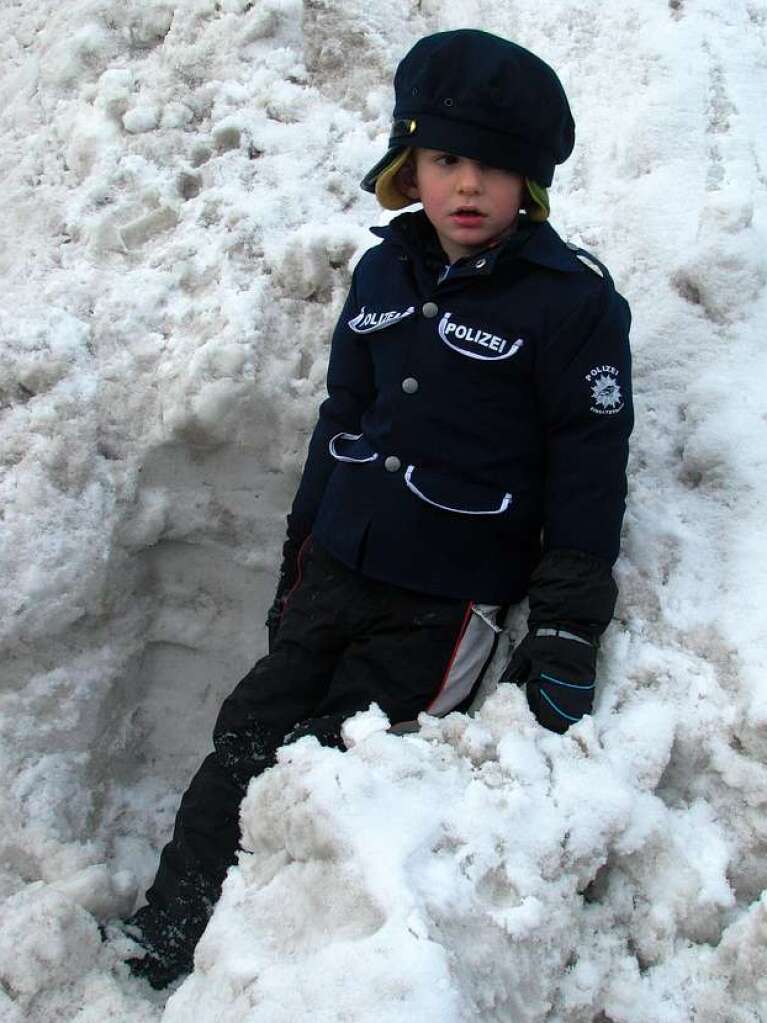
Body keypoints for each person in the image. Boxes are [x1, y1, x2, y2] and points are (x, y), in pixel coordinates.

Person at [121, 29, 633, 989]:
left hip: (444, 606)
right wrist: (298, 554)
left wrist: (565, 630)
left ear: (530, 181)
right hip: (339, 568)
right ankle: (167, 932)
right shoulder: (382, 273)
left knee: (338, 769)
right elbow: (340, 420)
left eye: (491, 165)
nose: (467, 186)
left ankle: (277, 970)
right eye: (445, 160)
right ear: (411, 166)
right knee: (245, 736)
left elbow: (586, 475)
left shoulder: (573, 310)